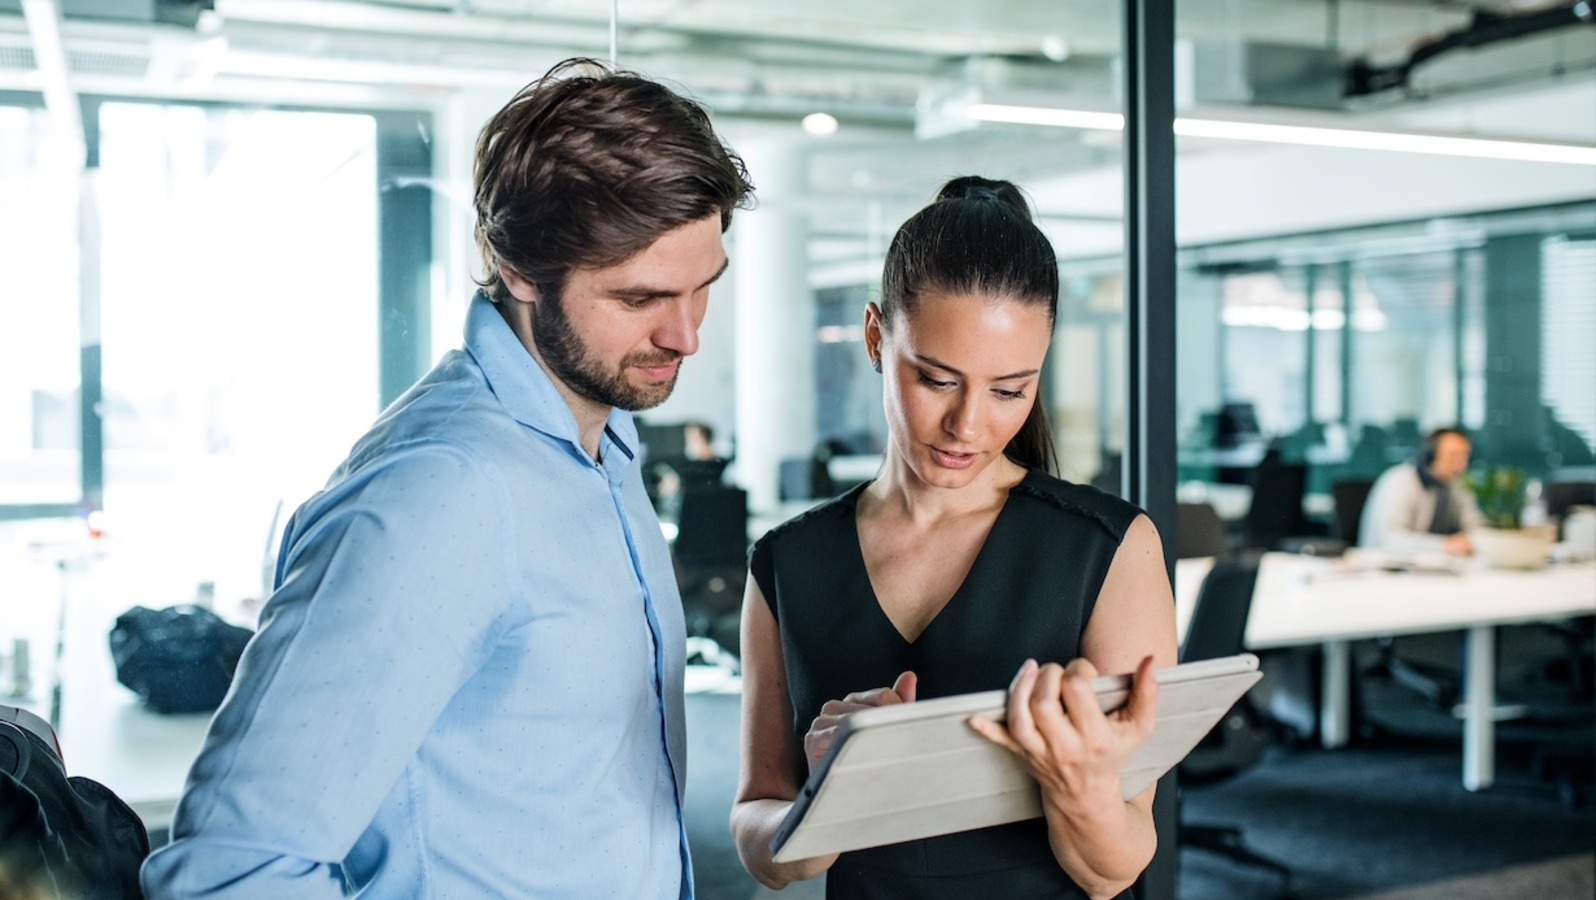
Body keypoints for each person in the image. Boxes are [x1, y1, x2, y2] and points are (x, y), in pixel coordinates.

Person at [140, 57, 752, 899]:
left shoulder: (601, 450)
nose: (685, 336)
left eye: (702, 289)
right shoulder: (440, 492)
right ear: (520, 269)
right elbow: (233, 868)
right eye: (640, 297)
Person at [729, 177, 1178, 899]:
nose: (968, 426)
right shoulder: (788, 563)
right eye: (937, 380)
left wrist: (1078, 781)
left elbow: (1113, 870)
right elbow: (761, 836)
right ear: (877, 338)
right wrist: (826, 799)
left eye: (1009, 390)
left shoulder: (1108, 548)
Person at [1359, 426, 1483, 557]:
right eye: (1453, 456)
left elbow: (1474, 525)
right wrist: (1443, 545)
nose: (1461, 465)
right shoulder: (1401, 481)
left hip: (1431, 567)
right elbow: (1390, 539)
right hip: (1384, 566)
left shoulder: (1456, 485)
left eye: (1464, 456)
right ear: (1431, 455)